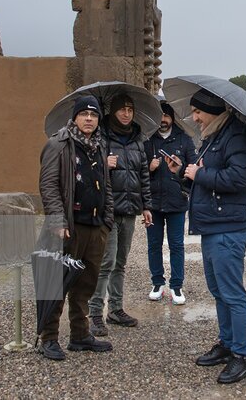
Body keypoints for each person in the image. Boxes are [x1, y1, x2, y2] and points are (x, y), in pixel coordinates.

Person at [183, 89, 246, 385]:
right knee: (219, 291)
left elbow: (240, 179)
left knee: (232, 293)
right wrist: (185, 174)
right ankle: (227, 344)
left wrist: (198, 175)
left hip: (228, 228)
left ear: (211, 110)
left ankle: (242, 356)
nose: (194, 117)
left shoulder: (236, 136)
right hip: (214, 225)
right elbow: (208, 178)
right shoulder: (215, 136)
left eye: (197, 111)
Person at [37, 95, 114, 361]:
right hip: (69, 227)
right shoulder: (58, 145)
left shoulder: (99, 146)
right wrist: (57, 220)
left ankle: (80, 335)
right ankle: (48, 339)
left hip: (95, 227)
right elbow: (48, 185)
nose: (89, 119)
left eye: (94, 115)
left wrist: (108, 220)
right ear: (75, 117)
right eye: (84, 114)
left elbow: (106, 185)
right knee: (57, 283)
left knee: (85, 285)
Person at [88, 93, 153, 336]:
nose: (126, 114)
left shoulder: (137, 138)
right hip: (107, 208)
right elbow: (85, 168)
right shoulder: (99, 137)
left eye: (130, 109)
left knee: (121, 263)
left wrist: (147, 206)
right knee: (106, 262)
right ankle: (95, 312)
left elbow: (143, 174)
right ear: (113, 111)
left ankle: (115, 309)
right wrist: (103, 163)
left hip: (130, 209)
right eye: (122, 109)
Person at [144, 100, 197, 305]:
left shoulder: (185, 140)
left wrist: (181, 167)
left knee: (176, 245)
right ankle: (157, 283)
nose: (163, 120)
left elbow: (192, 169)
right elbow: (139, 170)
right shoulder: (148, 140)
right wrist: (149, 167)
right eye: (159, 116)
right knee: (154, 245)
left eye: (166, 116)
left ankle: (176, 285)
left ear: (172, 118)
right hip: (153, 202)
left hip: (177, 201)